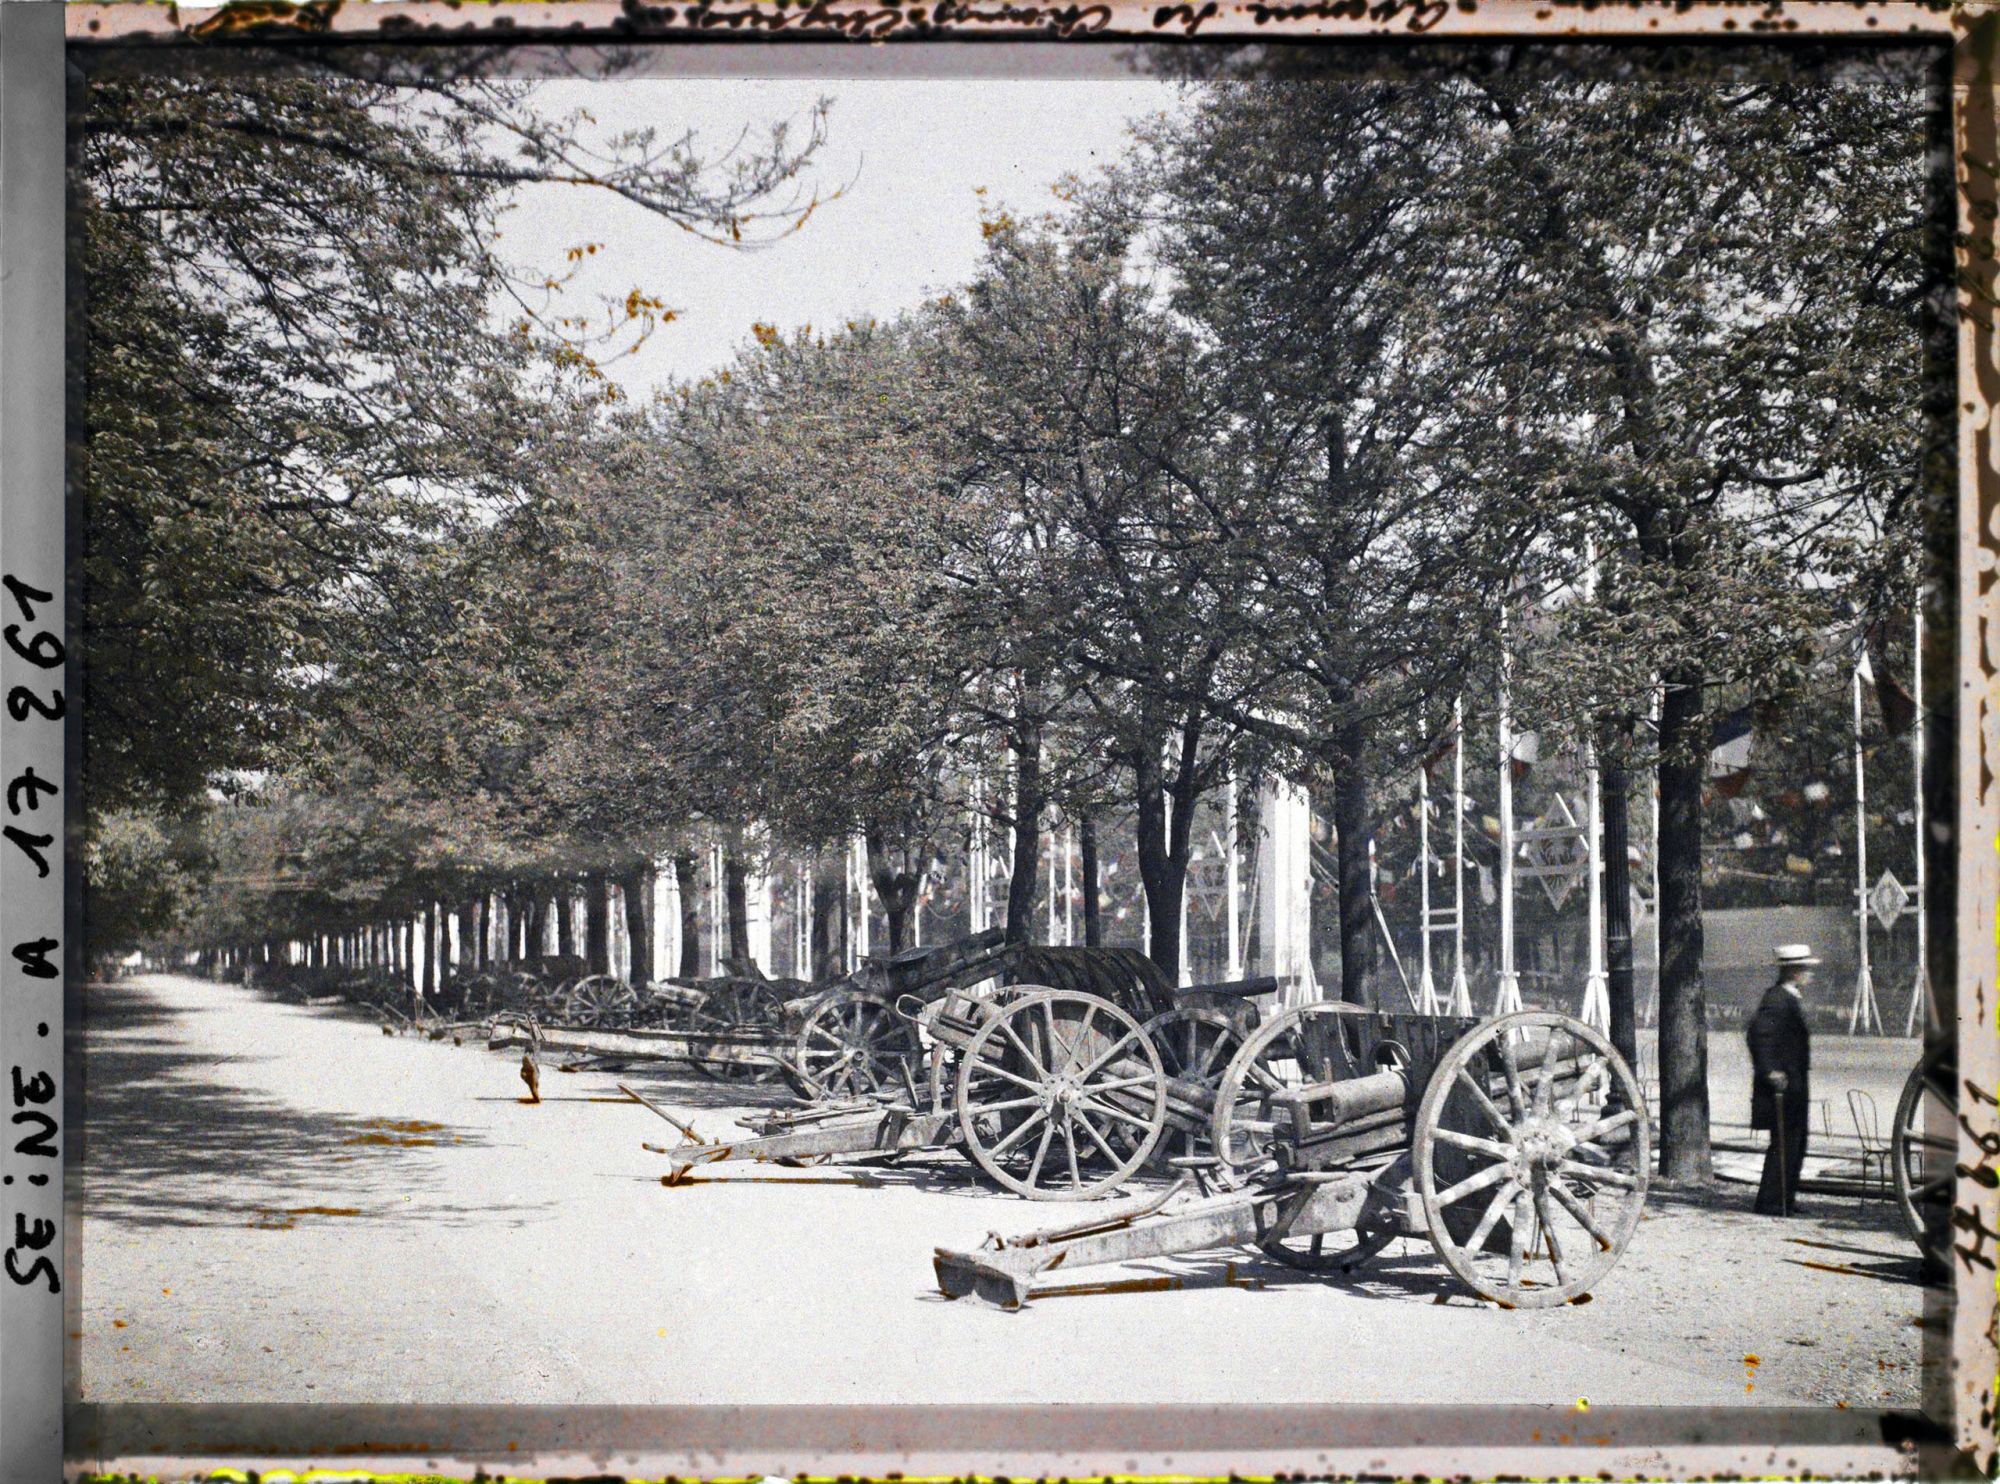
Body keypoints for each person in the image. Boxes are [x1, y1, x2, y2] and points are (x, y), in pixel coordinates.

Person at [1747, 943, 1816, 1215]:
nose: (1810, 974)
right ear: (1793, 971)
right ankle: (1771, 1201)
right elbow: (1758, 1036)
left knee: (1796, 1141)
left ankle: (1786, 1197)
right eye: (1806, 969)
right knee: (1784, 1143)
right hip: (1782, 1085)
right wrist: (1770, 1070)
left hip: (1795, 1083)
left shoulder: (1790, 997)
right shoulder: (1776, 998)